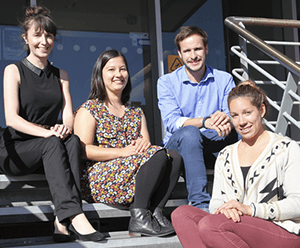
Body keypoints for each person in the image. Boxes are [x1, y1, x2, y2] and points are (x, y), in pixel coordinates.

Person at [0, 6, 104, 243]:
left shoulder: (61, 75)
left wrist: (64, 128)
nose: (44, 41)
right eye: (37, 35)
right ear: (26, 38)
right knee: (53, 143)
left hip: (49, 151)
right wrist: (48, 133)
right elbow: (11, 119)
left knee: (72, 140)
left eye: (48, 36)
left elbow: (68, 115)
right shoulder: (13, 71)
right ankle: (74, 213)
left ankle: (61, 221)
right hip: (16, 150)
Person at [171, 80, 300, 247]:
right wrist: (225, 209)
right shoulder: (226, 155)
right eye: (235, 115)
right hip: (239, 226)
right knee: (181, 214)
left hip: (281, 230)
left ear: (261, 110)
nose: (241, 122)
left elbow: (297, 203)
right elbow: (216, 202)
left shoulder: (286, 148)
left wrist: (250, 209)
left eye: (247, 113)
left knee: (211, 225)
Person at [73, 49, 183, 237]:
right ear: (100, 74)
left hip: (133, 170)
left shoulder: (136, 112)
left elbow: (147, 145)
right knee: (157, 154)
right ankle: (139, 217)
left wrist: (142, 146)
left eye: (123, 69)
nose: (118, 74)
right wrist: (123, 151)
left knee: (174, 156)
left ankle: (155, 212)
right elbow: (83, 151)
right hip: (101, 175)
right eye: (111, 69)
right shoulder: (90, 108)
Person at [157, 25, 238, 209]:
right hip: (178, 146)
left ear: (206, 49)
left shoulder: (224, 79)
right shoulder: (166, 82)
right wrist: (204, 121)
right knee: (190, 133)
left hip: (212, 141)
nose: (193, 56)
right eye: (187, 51)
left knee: (240, 128)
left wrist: (226, 119)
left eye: (197, 49)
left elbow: (232, 113)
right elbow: (172, 122)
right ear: (180, 54)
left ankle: (248, 195)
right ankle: (200, 203)